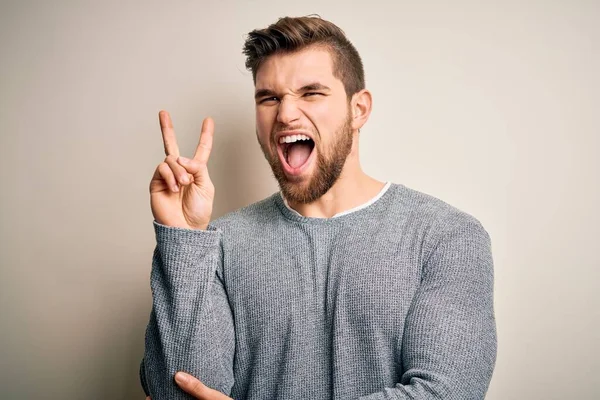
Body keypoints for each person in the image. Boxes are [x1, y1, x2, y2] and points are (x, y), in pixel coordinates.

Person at [140, 15, 497, 400]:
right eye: (269, 98)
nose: (286, 114)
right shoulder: (217, 245)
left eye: (311, 93)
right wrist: (183, 238)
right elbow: (175, 394)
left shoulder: (446, 237)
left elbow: (445, 393)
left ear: (358, 109)